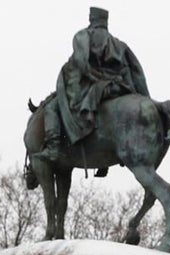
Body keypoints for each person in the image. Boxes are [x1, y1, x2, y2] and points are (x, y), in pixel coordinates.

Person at [36, 6, 150, 162]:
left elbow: (82, 63)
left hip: (87, 87)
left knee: (51, 108)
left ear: (91, 19)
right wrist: (145, 97)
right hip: (118, 88)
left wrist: (94, 76)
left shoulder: (83, 36)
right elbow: (137, 72)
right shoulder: (118, 44)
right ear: (105, 22)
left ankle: (53, 147)